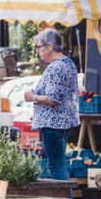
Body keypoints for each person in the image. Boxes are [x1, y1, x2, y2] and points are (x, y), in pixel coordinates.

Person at [26, 28, 79, 181]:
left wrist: (32, 97)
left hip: (54, 124)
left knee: (56, 166)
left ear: (49, 46)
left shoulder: (56, 67)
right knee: (58, 164)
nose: (37, 51)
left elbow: (53, 99)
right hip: (63, 122)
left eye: (39, 47)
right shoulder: (68, 63)